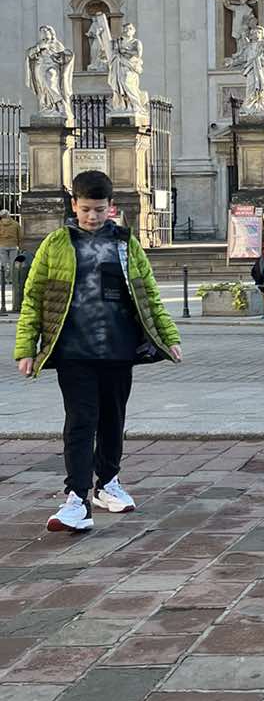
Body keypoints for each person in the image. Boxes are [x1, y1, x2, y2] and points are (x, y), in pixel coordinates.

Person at [12, 168, 182, 535]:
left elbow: (148, 292)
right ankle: (76, 498)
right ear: (74, 205)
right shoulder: (56, 244)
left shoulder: (125, 243)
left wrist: (168, 336)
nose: (92, 216)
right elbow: (33, 297)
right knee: (80, 421)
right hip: (73, 350)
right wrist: (26, 348)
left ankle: (108, 482)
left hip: (118, 348)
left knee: (112, 419)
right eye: (86, 209)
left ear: (111, 207)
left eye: (99, 209)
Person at [0, 209, 20, 279]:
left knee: (4, 263)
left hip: (2, 246)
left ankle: (5, 278)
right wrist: (19, 244)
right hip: (13, 245)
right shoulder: (16, 224)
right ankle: (13, 278)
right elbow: (19, 235)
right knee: (13, 262)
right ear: (8, 215)